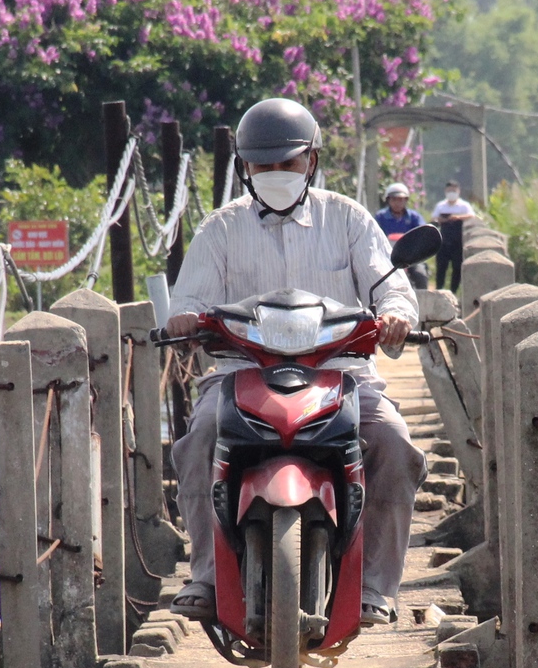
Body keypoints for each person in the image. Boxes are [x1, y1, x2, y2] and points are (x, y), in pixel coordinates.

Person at [163, 98, 427, 628]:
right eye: (264, 165)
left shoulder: (348, 219)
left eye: (288, 163)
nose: (276, 174)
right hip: (240, 374)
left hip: (344, 376)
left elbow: (389, 285)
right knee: (199, 441)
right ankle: (208, 576)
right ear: (244, 167)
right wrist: (183, 318)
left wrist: (396, 314)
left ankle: (376, 587)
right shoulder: (220, 229)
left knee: (395, 446)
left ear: (312, 160)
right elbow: (189, 297)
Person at [374, 183, 429, 288]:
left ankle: (422, 301)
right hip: (387, 257)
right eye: (394, 199)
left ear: (406, 200)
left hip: (411, 257)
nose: (397, 203)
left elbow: (423, 233)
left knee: (420, 274)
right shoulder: (380, 217)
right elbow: (374, 234)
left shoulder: (414, 217)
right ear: (388, 200)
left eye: (400, 199)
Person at [430, 180, 476, 291]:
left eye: (454, 190)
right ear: (445, 191)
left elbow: (472, 216)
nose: (451, 193)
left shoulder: (464, 206)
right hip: (443, 240)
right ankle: (439, 289)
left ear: (458, 191)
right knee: (441, 267)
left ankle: (453, 291)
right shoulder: (441, 206)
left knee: (457, 267)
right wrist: (442, 219)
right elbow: (433, 218)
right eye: (449, 190)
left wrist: (458, 217)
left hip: (458, 240)